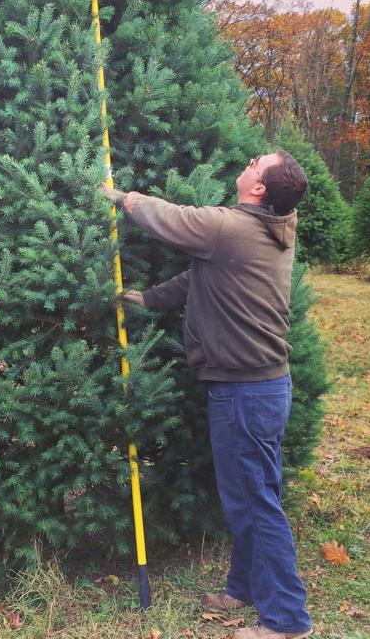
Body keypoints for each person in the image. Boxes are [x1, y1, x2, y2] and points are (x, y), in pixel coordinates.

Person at [100, 150, 313, 639]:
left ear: (258, 189)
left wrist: (121, 198)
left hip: (246, 391)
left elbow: (174, 220)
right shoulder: (261, 231)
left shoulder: (230, 227)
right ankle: (243, 589)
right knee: (248, 496)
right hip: (260, 387)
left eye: (256, 163)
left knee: (257, 503)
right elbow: (203, 276)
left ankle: (286, 621)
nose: (248, 162)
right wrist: (148, 299)